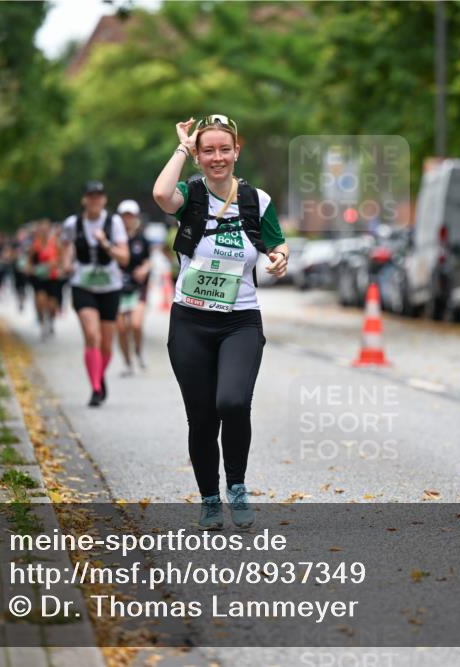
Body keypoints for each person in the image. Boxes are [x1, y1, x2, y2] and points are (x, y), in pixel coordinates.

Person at [152, 114, 289, 529]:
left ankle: (237, 487)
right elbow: (160, 194)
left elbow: (277, 242)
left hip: (240, 321)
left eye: (224, 149)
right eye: (208, 150)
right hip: (191, 321)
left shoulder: (256, 200)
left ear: (236, 151)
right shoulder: (189, 195)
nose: (217, 157)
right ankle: (210, 498)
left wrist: (281, 257)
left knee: (232, 402)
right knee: (202, 416)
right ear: (198, 155)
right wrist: (181, 144)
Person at [61, 181, 129, 407]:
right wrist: (66, 263)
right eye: (91, 196)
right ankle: (96, 389)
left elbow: (124, 258)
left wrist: (105, 243)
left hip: (110, 286)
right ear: (84, 199)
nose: (95, 200)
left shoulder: (114, 222)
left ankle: (98, 376)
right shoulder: (73, 223)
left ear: (104, 199)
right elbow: (66, 247)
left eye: (99, 196)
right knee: (92, 335)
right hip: (83, 285)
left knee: (107, 345)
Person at [115, 199, 152, 376]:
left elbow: (149, 260)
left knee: (136, 325)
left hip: (138, 287)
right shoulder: (113, 238)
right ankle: (127, 362)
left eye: (130, 216)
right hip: (119, 287)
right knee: (122, 329)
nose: (127, 219)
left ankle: (138, 351)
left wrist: (144, 269)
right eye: (124, 216)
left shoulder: (142, 239)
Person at [26, 220, 61, 340]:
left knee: (52, 305)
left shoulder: (55, 243)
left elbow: (61, 259)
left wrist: (56, 265)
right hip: (39, 278)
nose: (44, 231)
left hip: (52, 277)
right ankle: (42, 324)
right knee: (40, 301)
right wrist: (31, 269)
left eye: (46, 229)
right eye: (42, 229)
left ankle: (50, 320)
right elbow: (29, 262)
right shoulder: (35, 245)